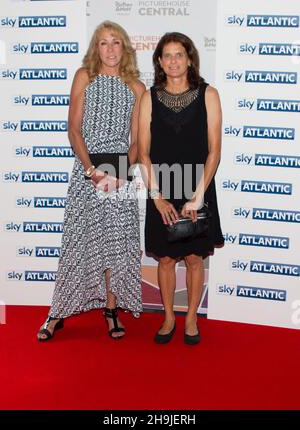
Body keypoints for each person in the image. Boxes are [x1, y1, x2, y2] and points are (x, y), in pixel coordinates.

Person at [37, 20, 145, 341]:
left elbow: (138, 139)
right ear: (95, 48)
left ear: (124, 48)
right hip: (87, 169)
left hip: (120, 172)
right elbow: (74, 129)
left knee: (115, 245)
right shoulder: (84, 77)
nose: (110, 49)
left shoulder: (137, 88)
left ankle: (111, 310)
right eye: (103, 43)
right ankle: (57, 312)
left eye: (116, 42)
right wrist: (90, 170)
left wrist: (121, 174)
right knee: (78, 242)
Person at [138, 32, 224, 345]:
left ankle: (190, 318)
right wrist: (157, 197)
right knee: (164, 259)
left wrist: (198, 195)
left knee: (193, 258)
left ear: (189, 58)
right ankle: (168, 317)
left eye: (179, 54)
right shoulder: (149, 97)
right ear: (159, 61)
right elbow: (144, 152)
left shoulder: (208, 94)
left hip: (198, 186)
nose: (173, 61)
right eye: (167, 55)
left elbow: (215, 149)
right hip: (162, 187)